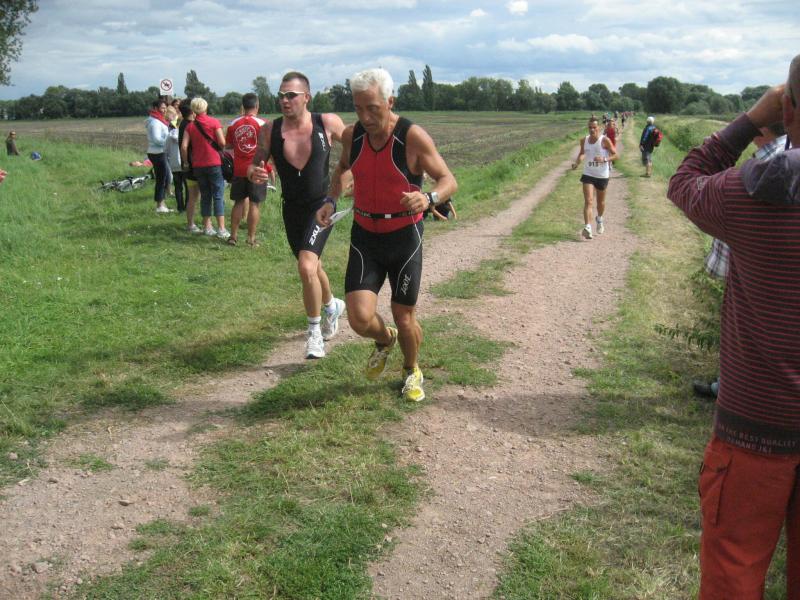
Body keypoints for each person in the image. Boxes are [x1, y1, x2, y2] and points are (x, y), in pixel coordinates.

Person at [667, 55, 800, 598]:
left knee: (733, 575)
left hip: (756, 426)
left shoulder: (756, 191)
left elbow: (684, 182)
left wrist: (750, 120)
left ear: (787, 109)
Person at [316, 68, 458, 402]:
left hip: (404, 237)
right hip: (365, 235)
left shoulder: (412, 137)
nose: (365, 117)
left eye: (373, 109)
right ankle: (384, 339)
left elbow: (448, 180)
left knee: (404, 316)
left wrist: (429, 198)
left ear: (390, 102)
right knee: (359, 319)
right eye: (358, 108)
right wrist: (331, 199)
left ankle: (411, 370)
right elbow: (343, 169)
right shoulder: (353, 136)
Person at [247, 71, 347, 359]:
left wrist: (348, 179)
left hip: (322, 207)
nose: (284, 100)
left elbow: (356, 149)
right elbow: (254, 163)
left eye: (291, 95)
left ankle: (314, 334)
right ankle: (332, 306)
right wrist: (253, 172)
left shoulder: (327, 122)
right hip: (291, 208)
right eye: (281, 95)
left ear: (306, 97)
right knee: (312, 267)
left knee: (306, 266)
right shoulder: (270, 130)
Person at [693, 122, 789, 400]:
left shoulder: (769, 165)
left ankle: (737, 391)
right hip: (767, 272)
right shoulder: (778, 157)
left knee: (748, 335)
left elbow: (685, 185)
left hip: (759, 275)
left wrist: (724, 142)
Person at [181, 97, 230, 239]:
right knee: (218, 195)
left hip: (198, 165)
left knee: (205, 195)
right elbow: (222, 143)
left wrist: (186, 163)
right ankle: (221, 228)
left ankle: (207, 227)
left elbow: (184, 146)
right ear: (205, 108)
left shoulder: (190, 126)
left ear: (193, 109)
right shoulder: (214, 122)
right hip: (214, 163)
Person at [225, 93, 269, 247]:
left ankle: (233, 236)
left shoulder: (233, 123)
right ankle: (251, 238)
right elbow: (268, 147)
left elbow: (228, 145)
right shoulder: (263, 123)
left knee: (238, 202)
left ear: (243, 106)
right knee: (254, 204)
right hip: (257, 169)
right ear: (257, 106)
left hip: (238, 169)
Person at [571, 118, 618, 239]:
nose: (592, 130)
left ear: (599, 128)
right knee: (589, 201)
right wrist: (577, 163)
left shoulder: (604, 140)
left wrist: (604, 159)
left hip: (602, 175)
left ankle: (599, 218)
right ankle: (587, 227)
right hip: (588, 174)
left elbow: (616, 155)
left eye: (594, 127)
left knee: (600, 203)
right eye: (590, 127)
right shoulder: (584, 140)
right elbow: (582, 153)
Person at [146, 100, 172, 213]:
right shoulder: (155, 122)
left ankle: (161, 204)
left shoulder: (158, 119)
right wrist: (169, 142)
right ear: (155, 108)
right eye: (162, 108)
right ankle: (160, 206)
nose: (165, 110)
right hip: (158, 153)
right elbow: (156, 139)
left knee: (163, 178)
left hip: (158, 152)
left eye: (165, 107)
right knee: (162, 179)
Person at [164, 105, 186, 213]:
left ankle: (180, 208)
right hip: (185, 163)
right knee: (188, 187)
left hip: (174, 164)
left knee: (178, 187)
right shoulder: (186, 136)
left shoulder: (169, 135)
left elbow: (165, 150)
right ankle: (188, 206)